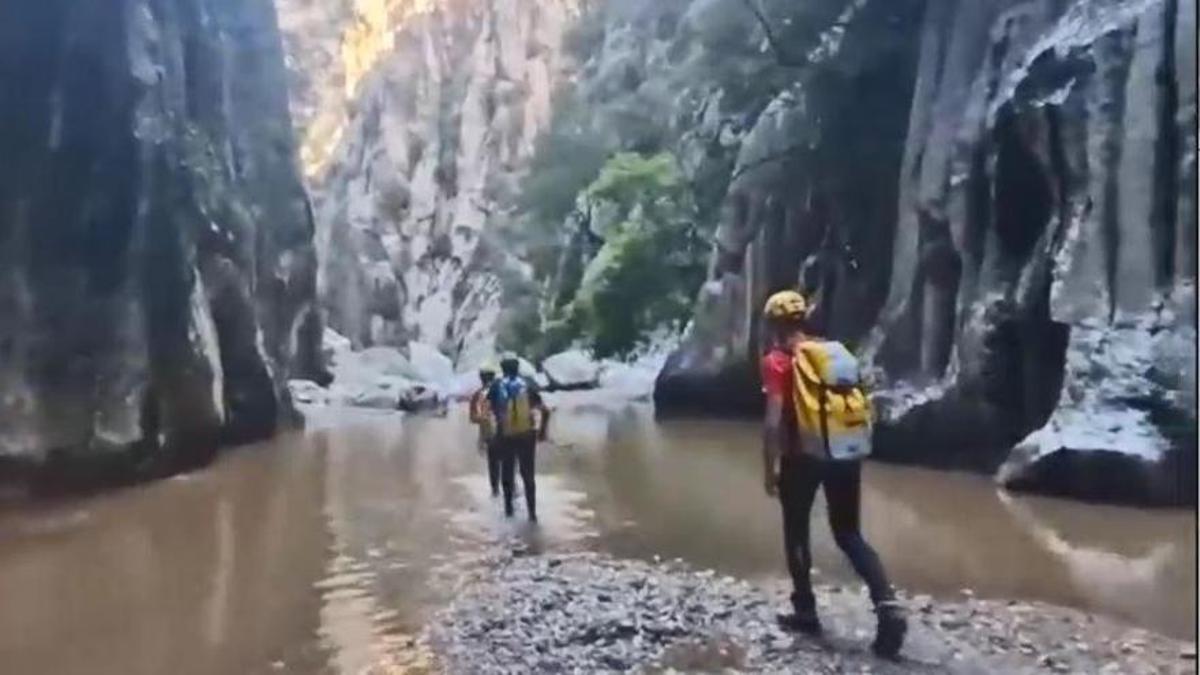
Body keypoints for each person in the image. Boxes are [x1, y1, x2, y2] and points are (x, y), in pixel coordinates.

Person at [759, 289, 906, 658]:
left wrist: (769, 467)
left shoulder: (779, 360)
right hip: (843, 451)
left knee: (796, 529)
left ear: (774, 325)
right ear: (804, 320)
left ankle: (805, 610)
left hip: (801, 456)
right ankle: (887, 604)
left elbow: (774, 421)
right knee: (849, 533)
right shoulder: (833, 354)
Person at [488, 355, 551, 521]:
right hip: (526, 436)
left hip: (505, 435)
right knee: (528, 475)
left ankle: (508, 512)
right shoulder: (529, 384)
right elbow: (545, 410)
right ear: (518, 368)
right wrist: (542, 432)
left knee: (507, 473)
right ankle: (532, 515)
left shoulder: (496, 385)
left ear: (502, 369)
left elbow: (491, 411)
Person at [469, 366, 501, 497]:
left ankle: (495, 490)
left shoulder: (478, 395)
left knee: (493, 464)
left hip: (488, 434)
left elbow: (473, 418)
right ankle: (511, 490)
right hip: (507, 432)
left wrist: (484, 420)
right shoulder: (503, 390)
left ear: (481, 378)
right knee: (508, 463)